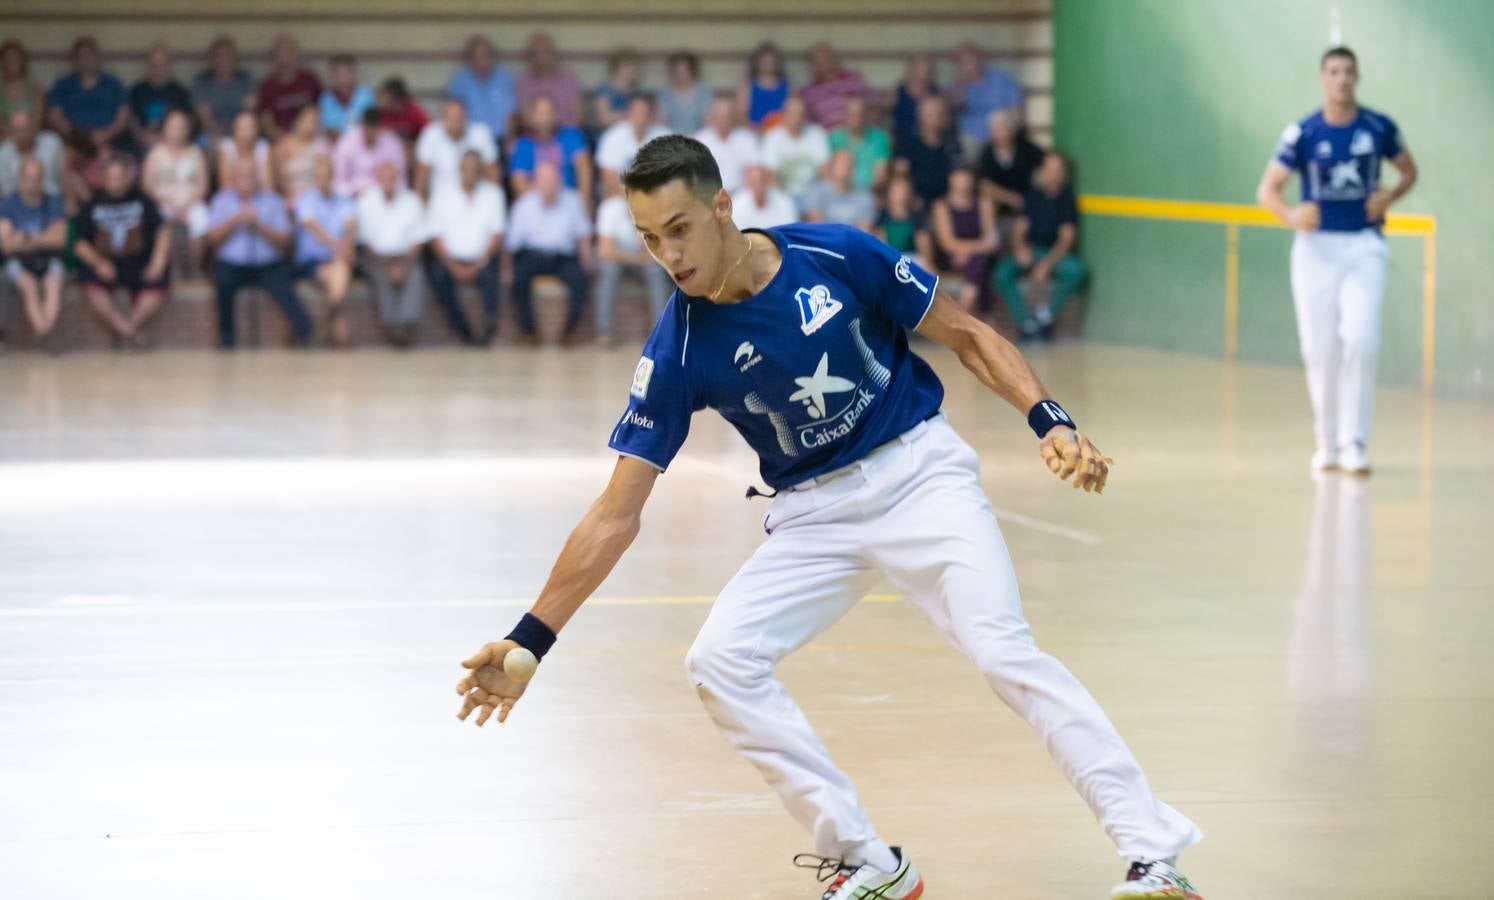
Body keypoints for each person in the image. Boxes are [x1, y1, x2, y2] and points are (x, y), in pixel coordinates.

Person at [452, 134, 1204, 900]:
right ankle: (869, 861)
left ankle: (1154, 856)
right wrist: (529, 640)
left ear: (722, 206)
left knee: (1003, 652)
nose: (668, 256)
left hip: (919, 474)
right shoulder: (678, 348)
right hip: (814, 515)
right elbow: (617, 512)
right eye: (649, 239)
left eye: (679, 229)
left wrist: (1049, 419)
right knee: (720, 660)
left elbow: (967, 335)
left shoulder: (837, 255)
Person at [1256, 46, 1416, 476]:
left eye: (1348, 71)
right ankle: (1326, 441)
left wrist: (1389, 196)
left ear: (1357, 77)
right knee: (1319, 349)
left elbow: (1408, 171)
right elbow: (1267, 189)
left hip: (1364, 246)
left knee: (1361, 339)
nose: (1342, 78)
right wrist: (1291, 214)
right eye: (1333, 71)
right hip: (1315, 251)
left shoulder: (1378, 127)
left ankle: (1354, 442)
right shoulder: (1302, 132)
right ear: (1322, 78)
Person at [204, 157, 311, 348]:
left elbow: (284, 241)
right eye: (242, 176)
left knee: (285, 287)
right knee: (222, 282)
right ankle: (226, 338)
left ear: (258, 178)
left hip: (268, 265)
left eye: (251, 176)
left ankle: (304, 332)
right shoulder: (222, 200)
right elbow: (212, 239)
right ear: (234, 178)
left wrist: (259, 224)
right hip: (231, 264)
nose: (246, 180)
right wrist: (236, 220)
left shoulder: (273, 201)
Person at [72, 156, 172, 350]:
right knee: (89, 284)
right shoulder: (92, 204)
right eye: (110, 177)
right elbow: (79, 244)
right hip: (105, 265)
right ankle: (128, 331)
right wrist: (98, 263)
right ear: (104, 179)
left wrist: (158, 261)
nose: (115, 181)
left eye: (119, 176)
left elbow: (163, 230)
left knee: (159, 279)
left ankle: (126, 330)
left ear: (127, 178)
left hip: (139, 264)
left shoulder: (143, 200)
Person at [996, 152, 1085, 342]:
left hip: (1055, 255)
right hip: (1031, 251)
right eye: (1049, 169)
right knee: (1002, 273)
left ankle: (1045, 316)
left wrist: (1047, 264)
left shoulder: (1067, 200)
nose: (1053, 174)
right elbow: (1019, 229)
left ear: (1064, 174)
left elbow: (1066, 240)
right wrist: (1020, 248)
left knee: (1077, 271)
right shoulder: (1033, 196)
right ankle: (1026, 322)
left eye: (1058, 170)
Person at [504, 162, 591, 345]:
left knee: (581, 278)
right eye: (544, 181)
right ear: (536, 183)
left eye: (552, 181)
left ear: (559, 181)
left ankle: (569, 331)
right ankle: (528, 331)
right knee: (518, 279)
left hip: (563, 257)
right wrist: (507, 269)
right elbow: (511, 244)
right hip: (531, 255)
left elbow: (583, 236)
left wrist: (586, 260)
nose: (549, 186)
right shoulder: (524, 205)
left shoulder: (573, 201)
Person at [425, 150, 506, 345]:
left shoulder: (493, 194)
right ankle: (464, 331)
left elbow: (496, 236)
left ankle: (489, 325)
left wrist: (477, 265)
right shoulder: (442, 195)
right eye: (467, 168)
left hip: (482, 259)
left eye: (475, 169)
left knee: (491, 275)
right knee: (438, 276)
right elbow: (435, 237)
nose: (471, 172)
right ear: (460, 170)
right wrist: (454, 266)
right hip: (450, 261)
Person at [356, 161, 426, 346]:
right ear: (378, 179)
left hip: (406, 257)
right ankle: (391, 326)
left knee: (415, 274)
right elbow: (366, 243)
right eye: (383, 177)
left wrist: (403, 265)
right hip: (377, 258)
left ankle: (406, 325)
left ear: (398, 178)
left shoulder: (412, 200)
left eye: (391, 177)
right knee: (381, 277)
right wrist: (388, 266)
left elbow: (417, 241)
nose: (388, 181)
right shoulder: (366, 201)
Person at [0, 158, 68, 350]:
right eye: (29, 177)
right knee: (28, 285)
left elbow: (60, 239)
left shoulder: (53, 202)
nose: (33, 182)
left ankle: (45, 333)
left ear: (43, 179)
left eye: (37, 178)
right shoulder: (7, 205)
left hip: (49, 259)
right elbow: (7, 246)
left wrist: (26, 238)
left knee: (53, 283)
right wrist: (42, 238)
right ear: (20, 179)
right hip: (17, 262)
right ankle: (46, 333)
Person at [292, 156, 357, 347]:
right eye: (319, 176)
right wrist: (340, 247)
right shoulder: (305, 200)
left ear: (332, 176)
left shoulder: (343, 200)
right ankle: (333, 324)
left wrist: (345, 247)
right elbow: (315, 229)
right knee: (340, 273)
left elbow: (350, 228)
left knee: (339, 271)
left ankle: (322, 326)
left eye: (327, 175)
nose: (323, 179)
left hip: (337, 259)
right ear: (314, 178)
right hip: (312, 261)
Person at [593, 188, 669, 346]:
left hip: (634, 258)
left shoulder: (653, 211)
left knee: (655, 270)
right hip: (623, 259)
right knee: (609, 269)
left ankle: (662, 332)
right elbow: (605, 252)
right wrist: (636, 258)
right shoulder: (609, 208)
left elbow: (654, 253)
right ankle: (604, 330)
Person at [141, 108, 209, 276]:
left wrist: (186, 206)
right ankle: (170, 270)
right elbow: (147, 185)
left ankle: (194, 267)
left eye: (181, 126)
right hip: (162, 203)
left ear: (188, 129)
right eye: (173, 126)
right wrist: (168, 204)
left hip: (191, 203)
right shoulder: (155, 153)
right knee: (161, 221)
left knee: (201, 220)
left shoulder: (196, 152)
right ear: (165, 128)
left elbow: (203, 185)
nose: (177, 130)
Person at [930, 167, 997, 313]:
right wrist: (973, 248)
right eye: (958, 178)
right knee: (979, 262)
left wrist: (967, 251)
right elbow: (946, 243)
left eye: (966, 178)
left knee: (979, 260)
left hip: (976, 258)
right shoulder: (941, 205)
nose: (963, 183)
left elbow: (992, 240)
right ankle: (983, 313)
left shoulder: (984, 204)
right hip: (950, 258)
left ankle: (966, 300)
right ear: (950, 180)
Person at [45, 37, 129, 149]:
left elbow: (122, 118)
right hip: (73, 144)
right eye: (82, 56)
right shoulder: (62, 85)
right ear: (75, 60)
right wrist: (79, 137)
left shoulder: (114, 84)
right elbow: (55, 117)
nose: (87, 59)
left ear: (98, 57)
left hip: (109, 143)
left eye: (90, 55)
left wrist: (105, 135)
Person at [509, 93, 591, 201]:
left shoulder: (571, 136)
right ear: (530, 117)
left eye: (549, 112)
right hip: (537, 203)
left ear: (555, 115)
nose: (545, 118)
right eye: (540, 113)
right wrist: (547, 201)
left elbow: (584, 168)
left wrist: (583, 199)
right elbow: (519, 184)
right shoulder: (523, 146)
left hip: (570, 200)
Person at [951, 42, 1023, 161]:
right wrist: (961, 82)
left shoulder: (1001, 78)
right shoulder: (958, 85)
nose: (969, 66)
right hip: (973, 135)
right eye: (963, 62)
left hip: (1004, 133)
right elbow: (955, 108)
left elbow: (1017, 109)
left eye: (971, 60)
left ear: (981, 59)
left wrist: (1009, 132)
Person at [413, 97, 497, 198]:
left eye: (459, 116)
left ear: (466, 117)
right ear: (443, 118)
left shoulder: (481, 133)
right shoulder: (430, 134)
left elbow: (492, 174)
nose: (456, 121)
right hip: (441, 201)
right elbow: (422, 176)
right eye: (451, 117)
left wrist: (494, 200)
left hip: (476, 200)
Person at [759, 95, 829, 208]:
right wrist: (785, 201)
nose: (796, 118)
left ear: (805, 116)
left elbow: (825, 171)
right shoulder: (772, 137)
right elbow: (770, 175)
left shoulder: (816, 134)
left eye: (800, 114)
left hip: (812, 196)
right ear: (784, 116)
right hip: (783, 195)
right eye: (792, 114)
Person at [893, 94, 960, 211]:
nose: (935, 116)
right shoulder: (907, 142)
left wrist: (951, 197)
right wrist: (911, 196)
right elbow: (900, 174)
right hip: (916, 201)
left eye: (938, 112)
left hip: (947, 201)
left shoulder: (952, 142)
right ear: (920, 115)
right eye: (930, 112)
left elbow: (959, 171)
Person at [975, 108, 1044, 220]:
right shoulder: (986, 153)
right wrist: (1012, 199)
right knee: (986, 201)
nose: (998, 134)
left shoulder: (1028, 149)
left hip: (1028, 200)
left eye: (1002, 129)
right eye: (994, 130)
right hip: (1001, 202)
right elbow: (985, 186)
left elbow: (1043, 170)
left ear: (1012, 130)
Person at [594, 92, 667, 197]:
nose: (640, 116)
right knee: (609, 211)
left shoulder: (666, 137)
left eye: (644, 112)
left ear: (651, 115)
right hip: (621, 197)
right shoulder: (612, 136)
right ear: (629, 112)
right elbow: (609, 178)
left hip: (657, 199)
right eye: (636, 111)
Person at [446, 36, 516, 142]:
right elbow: (455, 111)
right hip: (471, 139)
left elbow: (511, 113)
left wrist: (510, 139)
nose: (483, 60)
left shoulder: (503, 77)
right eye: (478, 56)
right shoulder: (460, 80)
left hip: (500, 138)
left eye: (487, 56)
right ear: (470, 59)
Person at [191, 36, 255, 146]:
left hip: (241, 132)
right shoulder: (202, 82)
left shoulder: (245, 80)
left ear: (235, 58)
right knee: (207, 144)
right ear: (212, 59)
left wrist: (237, 135)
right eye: (220, 56)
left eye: (229, 55)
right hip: (211, 133)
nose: (224, 60)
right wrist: (221, 138)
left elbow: (249, 111)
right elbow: (205, 119)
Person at [257, 33, 321, 141]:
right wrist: (289, 142)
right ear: (273, 56)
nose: (286, 56)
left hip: (310, 139)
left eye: (290, 51)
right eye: (281, 52)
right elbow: (267, 125)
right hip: (280, 142)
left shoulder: (310, 79)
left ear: (297, 54)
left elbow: (320, 112)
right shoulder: (267, 86)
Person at [127, 42, 191, 150]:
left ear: (170, 65)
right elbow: (131, 120)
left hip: (172, 144)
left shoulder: (180, 92)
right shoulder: (137, 91)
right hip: (142, 143)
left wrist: (166, 139)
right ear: (148, 65)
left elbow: (187, 121)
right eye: (154, 63)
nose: (158, 68)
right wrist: (141, 136)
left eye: (163, 63)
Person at [692, 96, 759, 193]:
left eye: (727, 115)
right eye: (720, 115)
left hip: (740, 195)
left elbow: (753, 172)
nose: (724, 119)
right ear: (712, 117)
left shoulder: (746, 139)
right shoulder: (699, 140)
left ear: (734, 116)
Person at [333, 107, 405, 198]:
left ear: (379, 127)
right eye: (368, 127)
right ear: (362, 126)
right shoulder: (347, 142)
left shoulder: (392, 144)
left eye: (373, 128)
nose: (370, 132)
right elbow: (338, 179)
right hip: (352, 197)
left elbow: (401, 179)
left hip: (384, 198)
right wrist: (353, 192)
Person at [515, 32, 582, 129]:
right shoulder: (523, 82)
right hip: (536, 136)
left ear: (553, 53)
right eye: (535, 53)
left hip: (567, 133)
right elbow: (525, 119)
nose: (541, 57)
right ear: (529, 57)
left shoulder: (569, 78)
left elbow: (579, 116)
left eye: (545, 52)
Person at [827, 95, 890, 193]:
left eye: (859, 114)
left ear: (866, 115)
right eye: (851, 114)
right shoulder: (834, 138)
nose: (855, 118)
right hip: (839, 193)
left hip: (869, 193)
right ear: (845, 115)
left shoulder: (879, 138)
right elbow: (827, 172)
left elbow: (880, 175)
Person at [801, 149, 875, 232]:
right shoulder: (816, 191)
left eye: (849, 164)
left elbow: (864, 232)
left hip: (852, 243)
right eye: (841, 164)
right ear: (831, 166)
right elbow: (816, 228)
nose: (845, 168)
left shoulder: (864, 197)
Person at [800, 42, 868, 130]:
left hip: (854, 133)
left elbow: (870, 103)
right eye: (817, 60)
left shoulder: (853, 80)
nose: (823, 63)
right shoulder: (808, 93)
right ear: (813, 65)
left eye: (826, 58)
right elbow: (809, 125)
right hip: (827, 138)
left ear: (834, 59)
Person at [272, 105, 331, 201]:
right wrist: (288, 194)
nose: (312, 124)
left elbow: (325, 176)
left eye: (315, 120)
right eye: (308, 120)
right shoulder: (283, 145)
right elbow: (277, 178)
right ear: (298, 121)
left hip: (315, 197)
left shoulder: (321, 145)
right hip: (288, 197)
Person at [0, 109, 64, 197]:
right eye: (17, 130)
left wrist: (68, 200)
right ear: (11, 132)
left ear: (34, 128)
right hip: (19, 203)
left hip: (52, 197)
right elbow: (5, 190)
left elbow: (64, 174)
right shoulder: (3, 153)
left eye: (25, 129)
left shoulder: (52, 142)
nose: (22, 134)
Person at [874, 172, 931, 268]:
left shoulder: (916, 218)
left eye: (903, 190)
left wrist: (927, 262)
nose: (901, 195)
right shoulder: (882, 217)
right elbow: (880, 244)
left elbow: (924, 247)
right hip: (890, 259)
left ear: (909, 193)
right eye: (896, 191)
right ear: (889, 193)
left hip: (911, 259)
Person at [889, 52, 939, 153]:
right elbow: (884, 112)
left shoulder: (936, 92)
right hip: (902, 141)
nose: (923, 71)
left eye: (927, 67)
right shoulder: (899, 91)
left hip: (928, 142)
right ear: (912, 69)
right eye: (920, 67)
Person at [317, 54, 374, 139]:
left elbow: (371, 126)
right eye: (338, 74)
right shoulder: (325, 99)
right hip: (334, 145)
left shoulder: (366, 95)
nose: (343, 78)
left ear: (354, 73)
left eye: (346, 73)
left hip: (361, 145)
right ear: (331, 75)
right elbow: (327, 129)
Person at [216, 109, 272, 193]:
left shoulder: (263, 147)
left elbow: (268, 184)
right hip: (233, 195)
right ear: (234, 129)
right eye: (241, 127)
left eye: (249, 127)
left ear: (256, 129)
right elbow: (225, 185)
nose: (245, 131)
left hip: (259, 195)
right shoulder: (227, 147)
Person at [737, 41, 789, 131]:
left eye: (772, 61)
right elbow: (740, 116)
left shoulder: (787, 86)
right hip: (753, 134)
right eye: (765, 60)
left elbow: (791, 114)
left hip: (780, 134)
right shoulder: (747, 86)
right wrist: (756, 130)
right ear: (757, 62)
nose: (768, 64)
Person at [658, 52, 712, 136]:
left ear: (692, 71)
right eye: (677, 71)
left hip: (699, 140)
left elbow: (708, 123)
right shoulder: (665, 94)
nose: (680, 74)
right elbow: (661, 123)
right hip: (671, 140)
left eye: (684, 70)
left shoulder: (703, 93)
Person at [729, 163, 796, 231]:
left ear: (767, 181)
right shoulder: (736, 204)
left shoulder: (784, 202)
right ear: (747, 182)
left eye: (762, 180)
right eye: (754, 181)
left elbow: (789, 232)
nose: (758, 185)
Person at [591, 48, 643, 133]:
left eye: (635, 66)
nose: (632, 70)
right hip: (607, 134)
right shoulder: (604, 89)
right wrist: (628, 116)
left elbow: (643, 116)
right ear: (616, 68)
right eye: (627, 66)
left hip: (632, 133)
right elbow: (603, 119)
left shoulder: (638, 91)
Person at [1, 40, 47, 127]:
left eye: (15, 58)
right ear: (2, 62)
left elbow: (37, 121)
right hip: (4, 136)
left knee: (51, 139)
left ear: (22, 61)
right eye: (7, 58)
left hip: (30, 136)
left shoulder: (36, 90)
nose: (11, 62)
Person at [376, 77, 430, 146]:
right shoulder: (380, 114)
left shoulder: (414, 112)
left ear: (394, 98)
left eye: (384, 95)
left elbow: (428, 134)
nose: (380, 100)